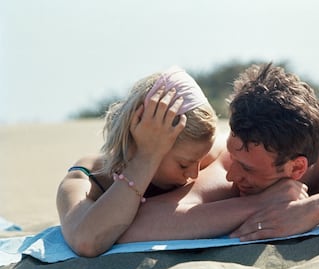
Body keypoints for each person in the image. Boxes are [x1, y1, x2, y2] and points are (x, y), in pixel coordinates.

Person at [115, 62, 319, 244]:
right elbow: (136, 226)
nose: (233, 175)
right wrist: (259, 202)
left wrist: (316, 209)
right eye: (234, 157)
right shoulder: (228, 163)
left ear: (297, 169)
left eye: (248, 169)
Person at [56, 66, 219, 257]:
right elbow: (86, 242)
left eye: (199, 161)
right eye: (183, 165)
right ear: (137, 143)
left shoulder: (199, 153)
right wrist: (145, 157)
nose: (194, 174)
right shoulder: (88, 178)